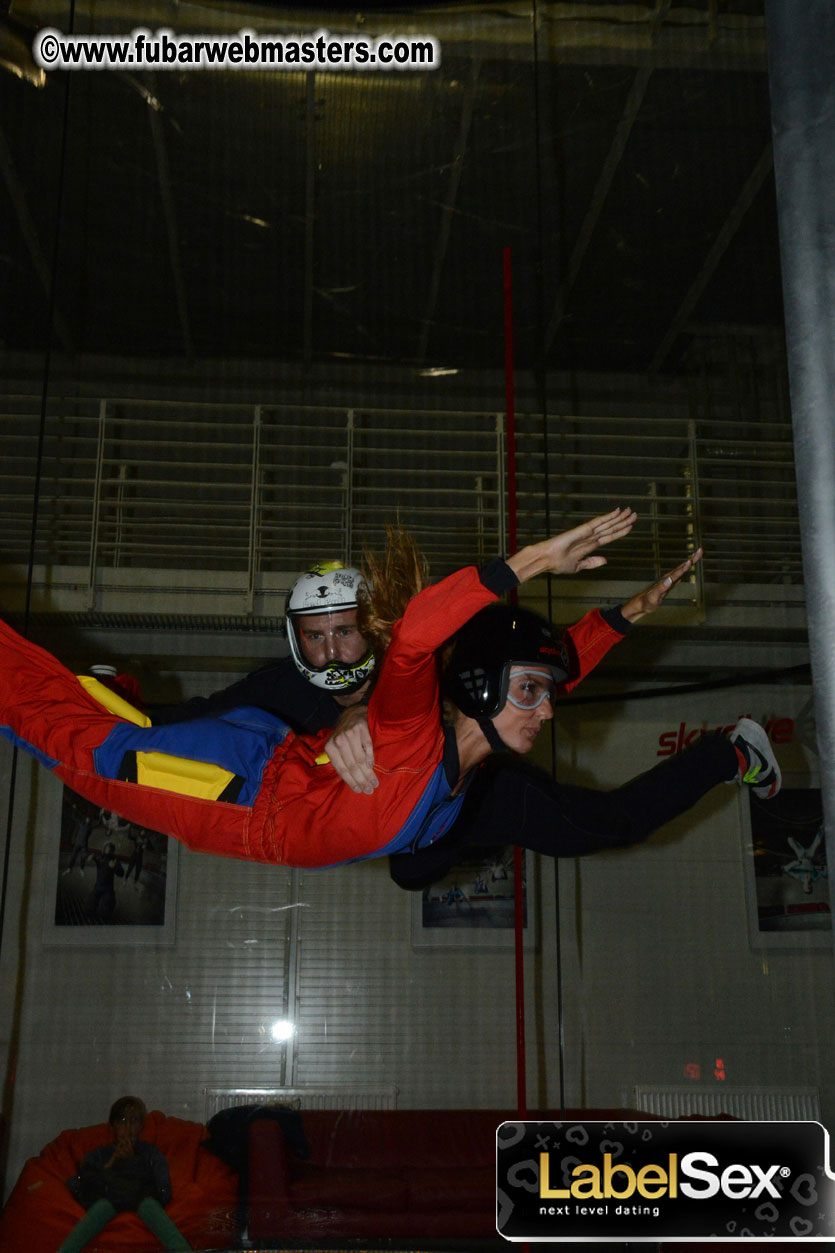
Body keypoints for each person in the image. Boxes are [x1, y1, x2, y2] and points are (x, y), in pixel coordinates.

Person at [0, 509, 780, 870]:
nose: (338, 647)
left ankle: (726, 755)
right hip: (260, 793)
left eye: (348, 631)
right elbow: (422, 643)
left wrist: (621, 616)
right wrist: (533, 560)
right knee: (80, 748)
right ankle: (91, 695)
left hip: (376, 807)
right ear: (295, 640)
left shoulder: (441, 703)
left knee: (581, 826)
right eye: (320, 636)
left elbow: (522, 668)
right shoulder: (366, 707)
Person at [60, 1096, 190, 1252]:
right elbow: (86, 1187)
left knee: (150, 1206)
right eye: (122, 1120)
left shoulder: (150, 1152)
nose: (128, 1127)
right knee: (101, 1207)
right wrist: (111, 1164)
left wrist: (133, 1161)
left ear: (141, 1126)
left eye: (134, 1121)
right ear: (112, 1126)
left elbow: (163, 1190)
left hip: (143, 1201)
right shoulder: (99, 1154)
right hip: (108, 1201)